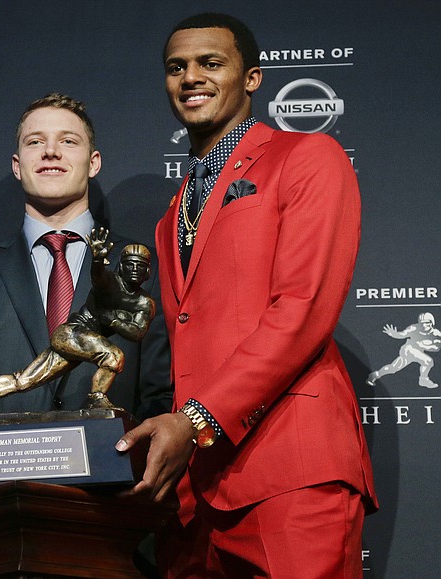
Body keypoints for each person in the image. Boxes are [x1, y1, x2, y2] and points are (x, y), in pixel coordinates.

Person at [114, 13, 378, 577]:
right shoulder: (171, 216)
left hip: (290, 472)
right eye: (176, 67)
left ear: (252, 78)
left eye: (211, 63)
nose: (191, 77)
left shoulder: (307, 157)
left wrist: (195, 419)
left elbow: (303, 308)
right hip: (191, 501)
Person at [0, 93, 171, 423]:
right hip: (2, 471)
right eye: (35, 142)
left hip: (117, 469)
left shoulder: (145, 269)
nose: (50, 152)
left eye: (68, 141)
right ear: (17, 166)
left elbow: (160, 396)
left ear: (93, 162)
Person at [0, 228, 156, 413]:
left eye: (140, 266)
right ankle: (96, 398)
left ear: (148, 271)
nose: (135, 270)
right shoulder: (112, 283)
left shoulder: (144, 302)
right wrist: (97, 260)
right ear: (121, 266)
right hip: (71, 333)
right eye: (130, 264)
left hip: (79, 345)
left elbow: (137, 332)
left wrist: (111, 320)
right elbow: (99, 278)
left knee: (24, 380)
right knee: (114, 355)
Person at [367, 312, 441, 389]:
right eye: (422, 323)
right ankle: (423, 380)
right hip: (408, 349)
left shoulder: (436, 334)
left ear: (431, 323)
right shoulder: (414, 328)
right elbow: (402, 334)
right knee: (428, 361)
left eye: (426, 323)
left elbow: (437, 348)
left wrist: (425, 346)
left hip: (417, 352)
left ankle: (375, 375)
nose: (424, 325)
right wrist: (394, 334)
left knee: (393, 368)